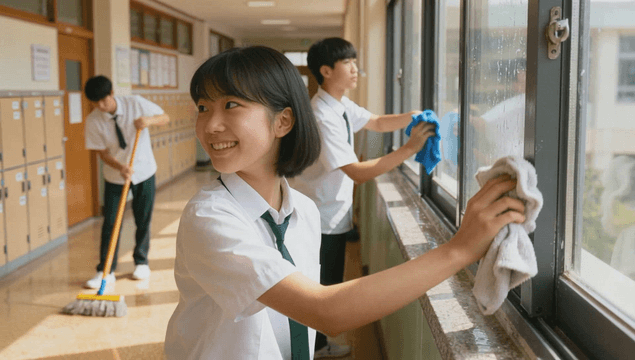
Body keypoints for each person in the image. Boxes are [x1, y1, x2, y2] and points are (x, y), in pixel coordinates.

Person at [164, 46, 525, 360]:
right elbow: (325, 311)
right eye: (202, 107)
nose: (210, 125)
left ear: (283, 121)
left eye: (230, 105)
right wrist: (459, 250)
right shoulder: (209, 218)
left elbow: (378, 121)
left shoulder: (302, 212)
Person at [288, 37, 436, 357]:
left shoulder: (339, 105)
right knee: (322, 284)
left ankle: (318, 344)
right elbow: (357, 172)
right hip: (320, 216)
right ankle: (313, 347)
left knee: (327, 279)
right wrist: (408, 149)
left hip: (332, 211)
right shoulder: (322, 116)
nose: (356, 69)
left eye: (356, 62)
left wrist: (412, 117)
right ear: (326, 71)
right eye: (348, 63)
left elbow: (377, 122)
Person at [83, 75, 169, 289]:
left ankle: (141, 262)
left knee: (143, 218)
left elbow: (165, 117)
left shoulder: (135, 103)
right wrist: (120, 168)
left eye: (104, 101)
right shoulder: (93, 121)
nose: (101, 106)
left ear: (112, 94)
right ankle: (105, 270)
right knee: (111, 222)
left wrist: (148, 121)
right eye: (96, 103)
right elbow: (102, 154)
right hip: (116, 175)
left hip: (144, 170)